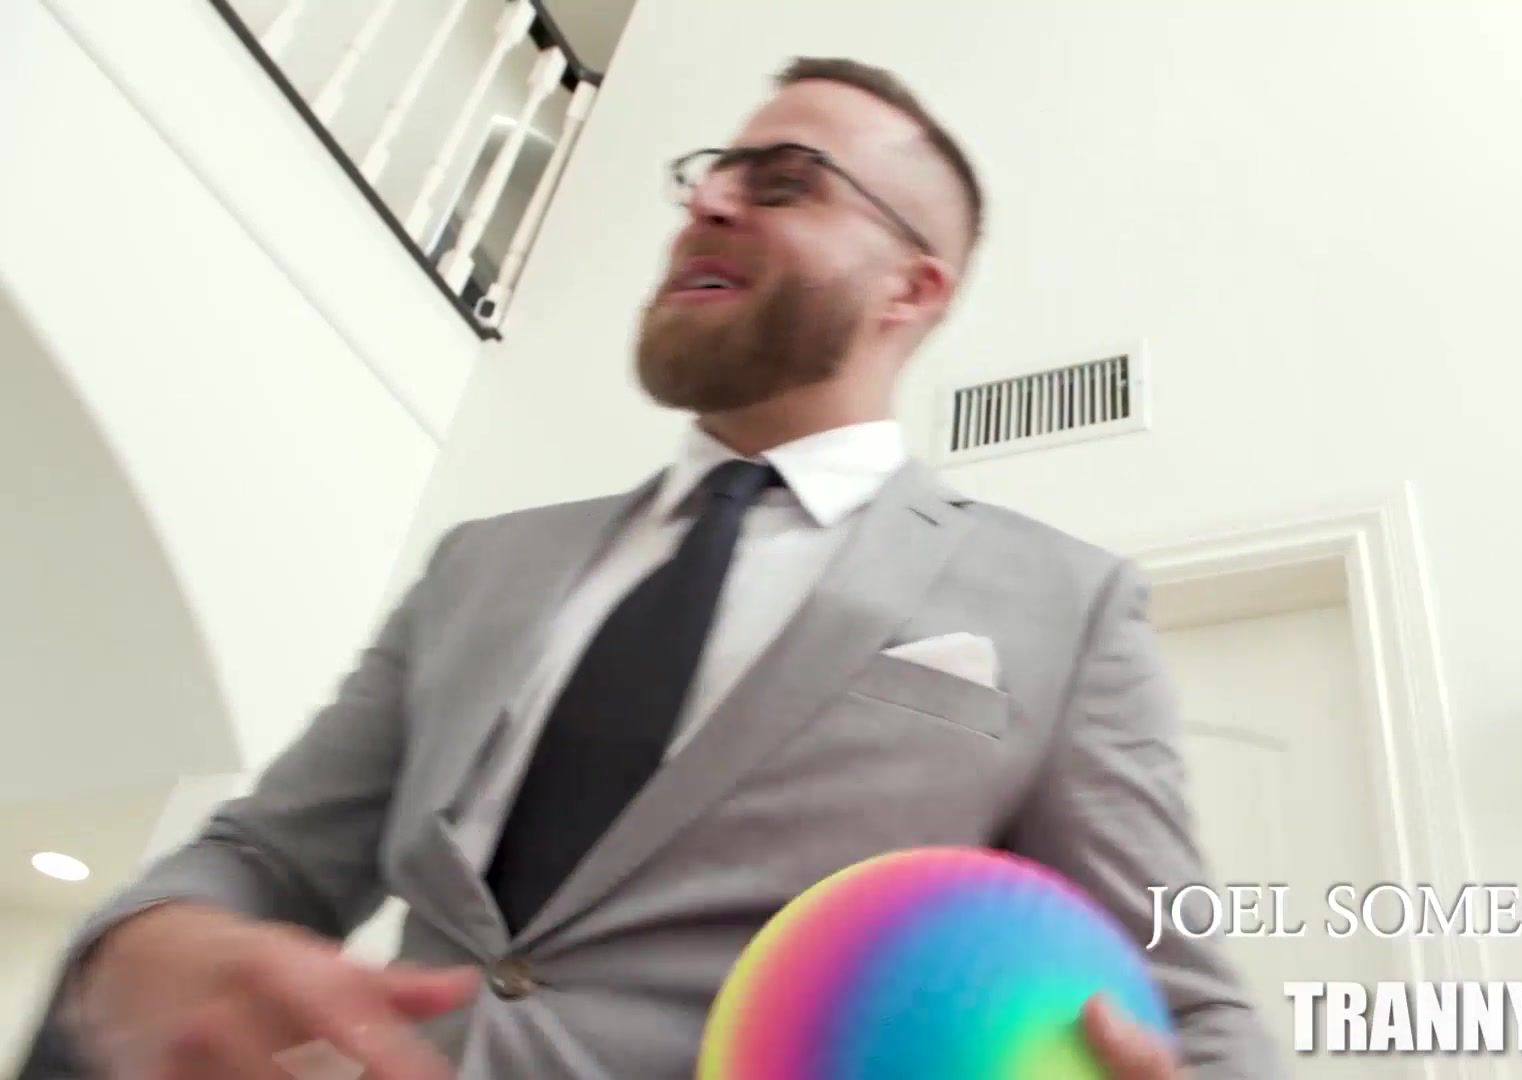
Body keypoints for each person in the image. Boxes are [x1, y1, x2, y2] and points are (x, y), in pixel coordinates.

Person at [38, 58, 1279, 1078]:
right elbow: (271, 855)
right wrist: (147, 946)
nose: (713, 202)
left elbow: (1190, 1002)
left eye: (784, 183)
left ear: (913, 286)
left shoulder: (1065, 603)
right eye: (711, 173)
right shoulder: (482, 566)